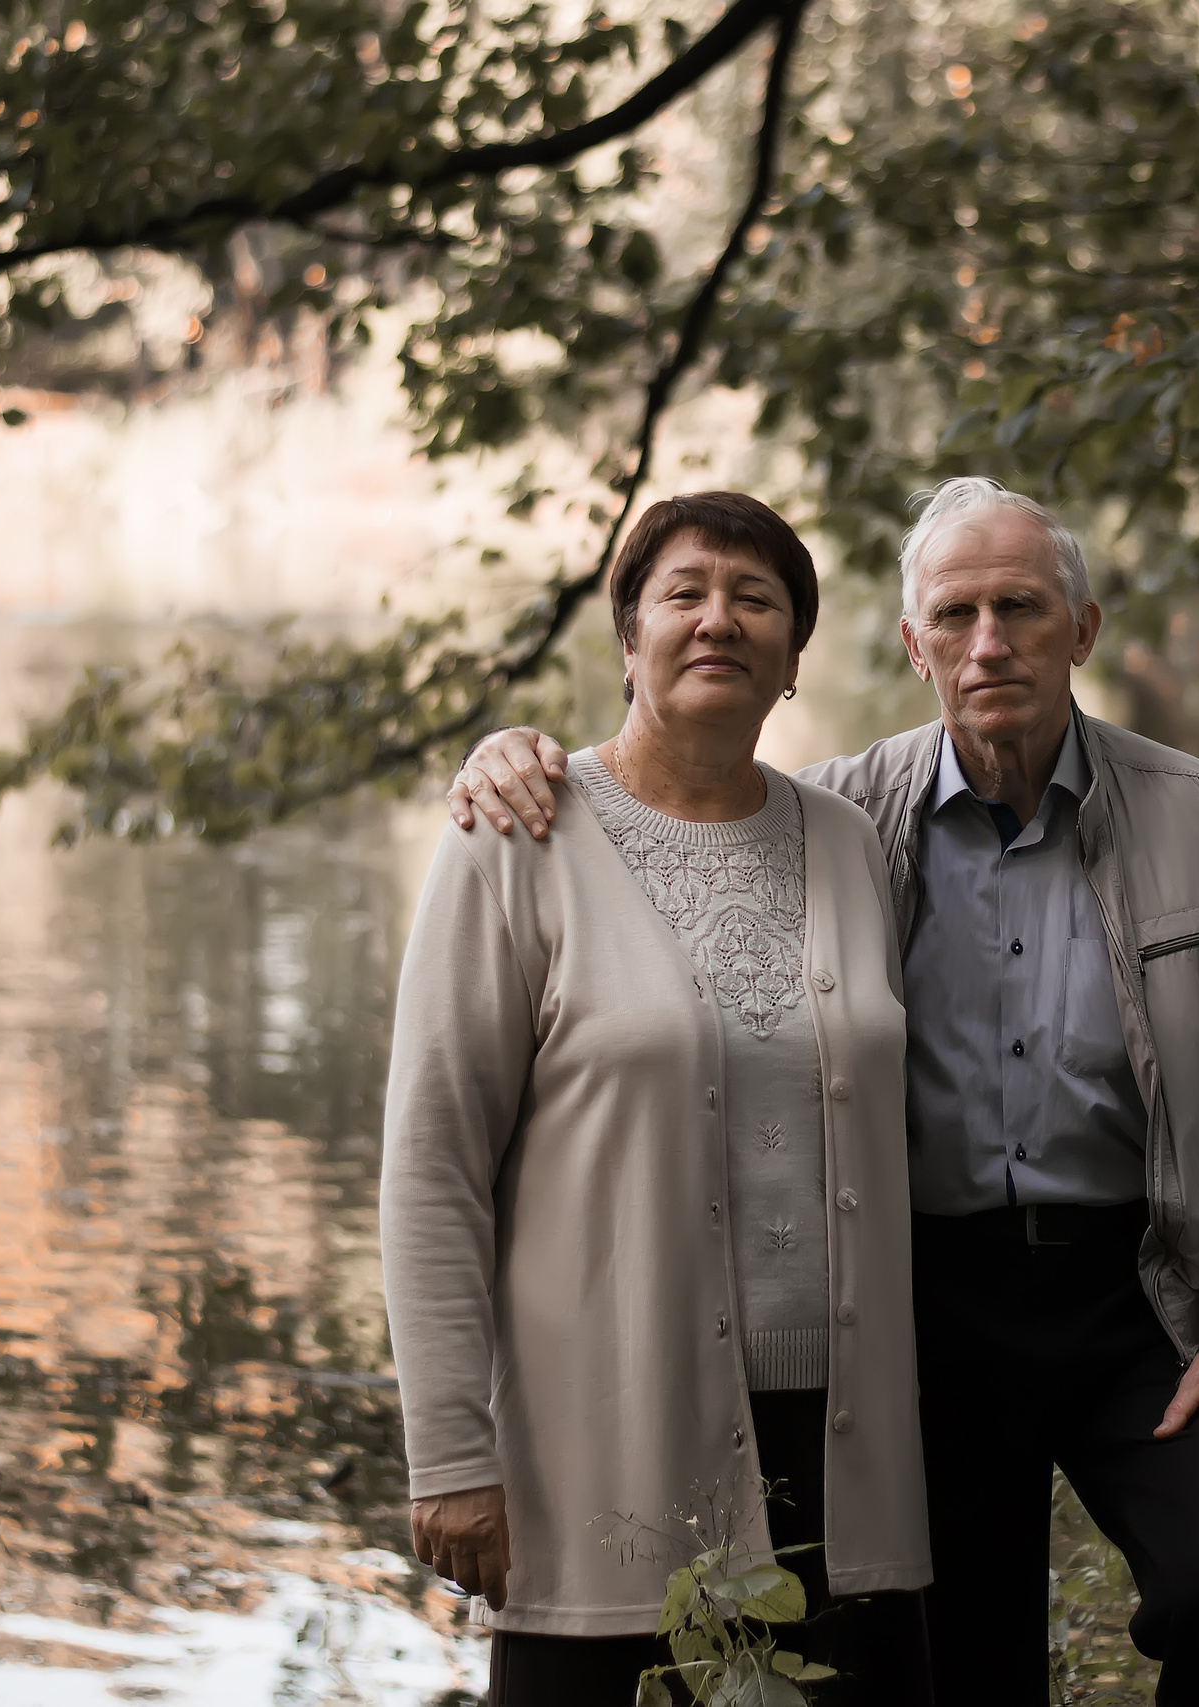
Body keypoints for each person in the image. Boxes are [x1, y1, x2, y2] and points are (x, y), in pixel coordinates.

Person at [449, 477, 1199, 1703]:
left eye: (1022, 609)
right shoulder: (838, 823)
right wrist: (518, 755)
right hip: (924, 1306)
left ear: (1080, 631)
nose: (990, 644)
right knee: (961, 1664)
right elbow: (678, 802)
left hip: (1141, 1296)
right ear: (912, 644)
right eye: (957, 615)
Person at [382, 492, 932, 1706]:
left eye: (756, 601)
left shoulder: (849, 842)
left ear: (792, 658)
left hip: (842, 1465)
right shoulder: (511, 836)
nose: (717, 621)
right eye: (682, 593)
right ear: (627, 637)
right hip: (609, 1445)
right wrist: (452, 1455)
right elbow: (431, 1169)